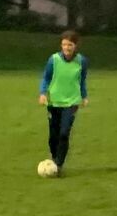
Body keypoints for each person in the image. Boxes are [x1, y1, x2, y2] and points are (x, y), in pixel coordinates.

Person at [38, 30, 89, 175]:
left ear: (76, 45)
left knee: (64, 133)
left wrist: (84, 96)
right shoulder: (53, 60)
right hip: (54, 102)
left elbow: (82, 80)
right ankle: (54, 158)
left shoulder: (82, 61)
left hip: (72, 102)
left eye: (70, 45)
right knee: (53, 135)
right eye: (64, 45)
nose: (67, 48)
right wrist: (42, 93)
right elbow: (46, 78)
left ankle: (58, 165)